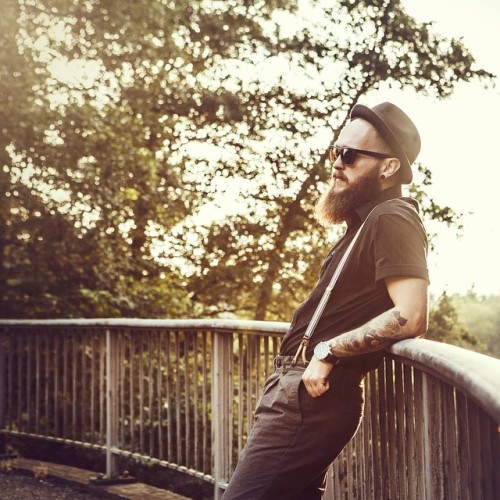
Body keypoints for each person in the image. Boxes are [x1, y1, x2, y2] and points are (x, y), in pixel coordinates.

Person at [222, 102, 429, 499]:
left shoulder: (392, 217)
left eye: (350, 155)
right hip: (298, 388)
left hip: (314, 395)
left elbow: (411, 315)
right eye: (336, 151)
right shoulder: (364, 223)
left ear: (388, 168)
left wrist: (328, 349)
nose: (337, 163)